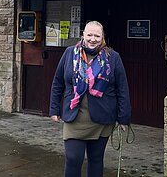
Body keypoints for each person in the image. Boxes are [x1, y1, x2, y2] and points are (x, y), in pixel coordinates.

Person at [49, 21, 131, 177]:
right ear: (83, 36)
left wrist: (124, 118)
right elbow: (58, 82)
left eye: (97, 36)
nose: (93, 39)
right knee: (73, 158)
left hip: (102, 117)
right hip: (75, 116)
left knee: (95, 159)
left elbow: (122, 89)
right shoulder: (69, 53)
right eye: (89, 35)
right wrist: (54, 109)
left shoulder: (113, 57)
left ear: (102, 38)